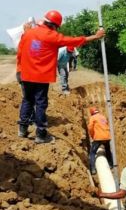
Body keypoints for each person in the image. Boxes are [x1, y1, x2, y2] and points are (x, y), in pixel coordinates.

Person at [17, 10, 106, 144]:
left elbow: (20, 52)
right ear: (54, 25)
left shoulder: (28, 33)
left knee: (27, 100)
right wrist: (95, 36)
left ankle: (22, 130)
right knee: (41, 103)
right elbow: (75, 40)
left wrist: (19, 70)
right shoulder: (52, 36)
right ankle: (41, 134)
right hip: (41, 76)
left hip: (26, 74)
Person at [88, 107, 113, 174]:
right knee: (108, 151)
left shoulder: (93, 118)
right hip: (107, 137)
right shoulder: (103, 117)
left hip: (98, 138)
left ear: (92, 113)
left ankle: (93, 169)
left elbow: (90, 128)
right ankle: (111, 164)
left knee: (92, 153)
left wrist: (92, 136)